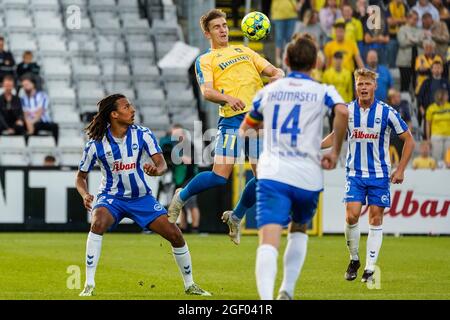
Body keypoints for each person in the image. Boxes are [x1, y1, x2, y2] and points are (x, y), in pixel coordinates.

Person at [239, 35, 348, 300]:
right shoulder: (324, 90)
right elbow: (343, 112)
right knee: (299, 228)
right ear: (316, 63)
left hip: (274, 173)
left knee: (269, 239)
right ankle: (287, 290)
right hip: (308, 176)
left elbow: (246, 130)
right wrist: (334, 152)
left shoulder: (269, 92)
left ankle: (266, 300)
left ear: (285, 61)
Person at [167, 9, 284, 245]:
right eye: (217, 27)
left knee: (263, 177)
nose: (223, 30)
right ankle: (181, 196)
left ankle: (236, 216)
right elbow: (207, 91)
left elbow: (275, 71)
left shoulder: (245, 50)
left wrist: (278, 76)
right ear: (207, 33)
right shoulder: (205, 59)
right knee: (220, 176)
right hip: (231, 119)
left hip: (257, 120)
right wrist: (229, 99)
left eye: (224, 25)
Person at [75, 94, 210, 297]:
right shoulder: (95, 144)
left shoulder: (143, 134)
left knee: (175, 234)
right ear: (114, 114)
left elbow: (162, 164)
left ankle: (190, 284)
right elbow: (80, 177)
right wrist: (85, 194)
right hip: (112, 198)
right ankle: (89, 284)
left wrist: (157, 170)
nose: (132, 109)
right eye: (126, 107)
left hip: (141, 198)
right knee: (98, 223)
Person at [322, 68, 415, 283]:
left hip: (380, 175)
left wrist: (400, 169)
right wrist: (315, 145)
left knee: (375, 218)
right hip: (354, 173)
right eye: (360, 84)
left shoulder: (387, 112)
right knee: (351, 215)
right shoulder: (347, 110)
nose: (363, 88)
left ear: (375, 86)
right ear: (356, 87)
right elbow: (336, 135)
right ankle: (354, 259)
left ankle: (370, 268)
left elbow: (408, 139)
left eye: (367, 84)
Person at [171, 124, 201, 234]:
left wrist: (179, 156)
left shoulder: (189, 146)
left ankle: (195, 227)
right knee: (181, 204)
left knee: (192, 203)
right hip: (179, 178)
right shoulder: (176, 146)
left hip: (190, 178)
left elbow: (190, 161)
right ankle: (183, 227)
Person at [20, 76, 59, 143]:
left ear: (33, 84)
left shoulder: (42, 96)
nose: (25, 87)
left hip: (42, 122)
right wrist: (29, 125)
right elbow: (25, 114)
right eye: (23, 86)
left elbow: (40, 112)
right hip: (29, 123)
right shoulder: (23, 99)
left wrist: (32, 123)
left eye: (27, 85)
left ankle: (56, 145)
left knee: (55, 126)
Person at [396, 11, 421, 92]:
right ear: (408, 18)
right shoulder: (402, 29)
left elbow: (422, 41)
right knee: (405, 84)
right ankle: (404, 102)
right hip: (404, 61)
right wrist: (415, 40)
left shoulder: (419, 29)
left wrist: (410, 39)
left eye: (417, 19)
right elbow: (402, 42)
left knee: (416, 84)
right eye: (414, 19)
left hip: (417, 60)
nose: (415, 21)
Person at [271, 0, 299, 67]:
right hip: (278, 15)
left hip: (291, 14)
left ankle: (288, 55)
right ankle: (278, 58)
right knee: (279, 37)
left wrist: (300, 4)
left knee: (289, 37)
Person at [425, 88, 450, 161]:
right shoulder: (431, 108)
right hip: (436, 137)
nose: (447, 97)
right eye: (446, 95)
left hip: (449, 136)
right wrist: (428, 138)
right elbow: (427, 124)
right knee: (436, 158)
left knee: (448, 159)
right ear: (440, 96)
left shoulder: (449, 106)